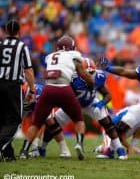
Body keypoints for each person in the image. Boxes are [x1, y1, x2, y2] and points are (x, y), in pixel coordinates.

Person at [19, 35, 94, 160]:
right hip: (64, 89)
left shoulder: (50, 56)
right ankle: (79, 144)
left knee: (36, 123)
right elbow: (83, 73)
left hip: (47, 89)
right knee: (78, 119)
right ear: (71, 47)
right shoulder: (73, 55)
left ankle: (24, 151)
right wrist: (91, 83)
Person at [40, 58, 127, 159]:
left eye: (92, 72)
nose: (90, 75)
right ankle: (42, 148)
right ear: (80, 72)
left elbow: (108, 95)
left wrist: (100, 104)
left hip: (91, 103)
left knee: (108, 124)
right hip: (73, 104)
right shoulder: (72, 78)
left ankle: (120, 150)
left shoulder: (99, 76)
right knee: (53, 125)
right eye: (87, 72)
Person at [0, 19, 35, 161]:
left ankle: (8, 154)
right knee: (14, 120)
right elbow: (28, 71)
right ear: (19, 32)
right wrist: (32, 89)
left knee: (2, 119)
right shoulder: (22, 46)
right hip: (13, 86)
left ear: (6, 31)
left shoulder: (0, 45)